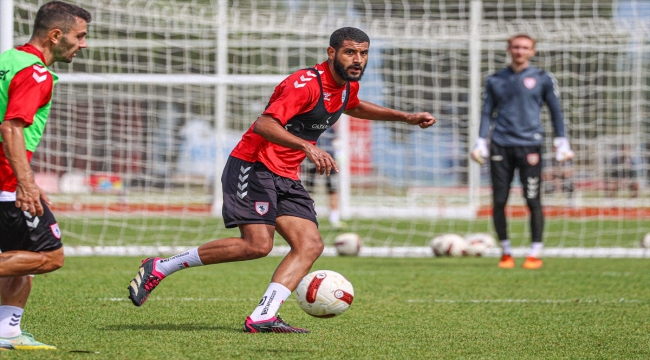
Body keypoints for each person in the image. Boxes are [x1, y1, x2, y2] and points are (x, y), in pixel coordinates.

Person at [127, 27, 435, 333]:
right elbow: (263, 124)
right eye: (350, 52)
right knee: (257, 245)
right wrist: (306, 146)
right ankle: (161, 267)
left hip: (285, 174)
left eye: (363, 53)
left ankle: (264, 315)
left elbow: (353, 106)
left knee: (310, 245)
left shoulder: (345, 87)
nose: (358, 60)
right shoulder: (304, 84)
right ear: (332, 53)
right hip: (253, 165)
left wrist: (405, 117)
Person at [0, 1, 91, 350]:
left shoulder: (8, 59)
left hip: (9, 176)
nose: (83, 44)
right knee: (50, 257)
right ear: (56, 35)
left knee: (19, 255)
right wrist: (25, 183)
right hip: (7, 181)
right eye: (79, 36)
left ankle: (7, 333)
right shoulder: (35, 73)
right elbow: (11, 127)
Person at [470, 34, 573, 270]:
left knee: (533, 199)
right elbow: (487, 112)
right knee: (499, 200)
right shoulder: (496, 79)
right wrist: (480, 141)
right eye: (516, 47)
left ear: (532, 51)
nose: (519, 51)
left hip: (531, 145)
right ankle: (506, 252)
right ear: (509, 49)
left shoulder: (542, 78)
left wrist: (561, 140)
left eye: (525, 47)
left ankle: (535, 251)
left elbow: (555, 111)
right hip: (501, 144)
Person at [302, 126, 345, 229]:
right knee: (308, 191)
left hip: (329, 159)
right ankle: (309, 218)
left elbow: (335, 140)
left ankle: (334, 219)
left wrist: (339, 154)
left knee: (333, 190)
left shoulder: (329, 125)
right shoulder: (307, 122)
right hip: (310, 159)